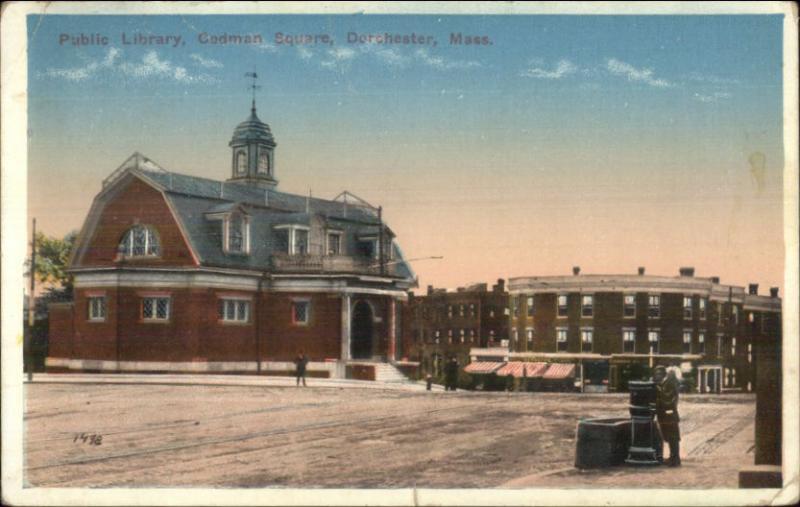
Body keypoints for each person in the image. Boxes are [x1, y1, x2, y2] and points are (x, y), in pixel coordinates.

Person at [654, 365, 681, 466]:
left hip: (670, 415)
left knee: (673, 437)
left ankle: (675, 459)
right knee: (670, 437)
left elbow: (668, 398)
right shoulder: (664, 383)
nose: (656, 376)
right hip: (666, 416)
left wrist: (658, 390)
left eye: (658, 374)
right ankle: (673, 458)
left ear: (663, 374)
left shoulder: (668, 383)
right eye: (655, 374)